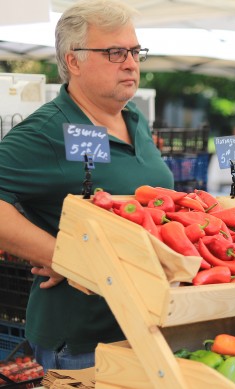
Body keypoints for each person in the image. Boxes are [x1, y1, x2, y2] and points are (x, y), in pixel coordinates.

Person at [0, 0, 173, 372]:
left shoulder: (134, 118)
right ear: (73, 61)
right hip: (85, 340)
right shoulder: (47, 131)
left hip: (150, 325)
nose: (130, 62)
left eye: (134, 51)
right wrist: (61, 254)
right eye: (114, 52)